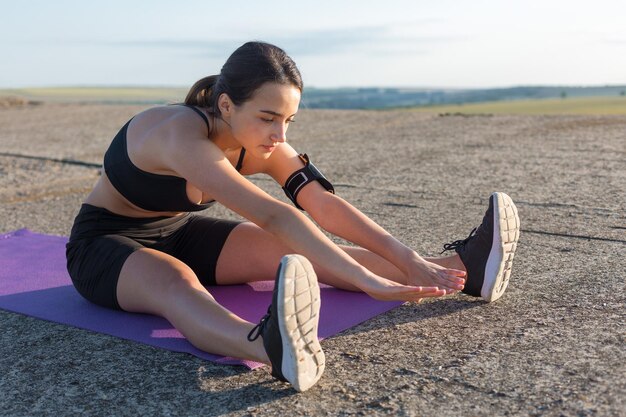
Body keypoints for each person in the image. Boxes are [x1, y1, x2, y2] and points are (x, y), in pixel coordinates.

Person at [65, 41, 520, 392]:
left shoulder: (263, 143)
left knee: (312, 253)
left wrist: (406, 258)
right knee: (175, 282)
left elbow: (324, 206)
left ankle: (465, 270)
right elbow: (274, 215)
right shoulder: (177, 134)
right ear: (226, 105)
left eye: (289, 121)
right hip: (105, 244)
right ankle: (269, 346)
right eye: (268, 117)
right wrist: (370, 282)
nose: (279, 134)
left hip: (179, 230)